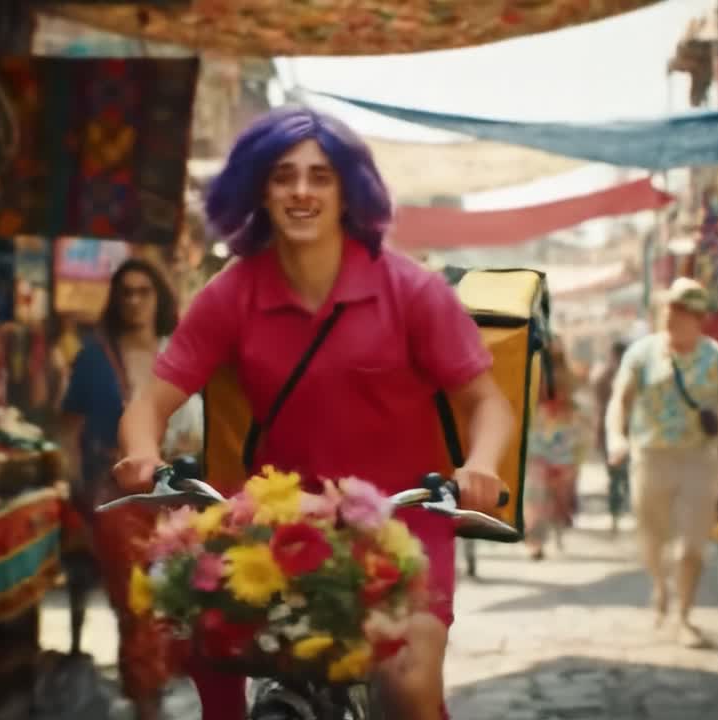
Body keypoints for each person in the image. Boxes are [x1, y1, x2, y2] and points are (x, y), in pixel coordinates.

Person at [113, 106, 515, 720]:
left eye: (320, 176)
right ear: (260, 190)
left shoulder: (412, 290)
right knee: (202, 638)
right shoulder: (232, 291)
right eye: (283, 176)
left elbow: (486, 402)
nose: (301, 191)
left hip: (401, 522)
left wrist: (481, 464)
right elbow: (153, 400)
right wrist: (143, 452)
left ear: (349, 190)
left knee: (407, 685)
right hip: (277, 519)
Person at [57, 258, 203, 720]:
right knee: (136, 604)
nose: (135, 301)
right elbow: (68, 429)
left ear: (159, 297)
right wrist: (75, 486)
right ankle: (145, 707)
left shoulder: (179, 351)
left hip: (179, 496)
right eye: (127, 292)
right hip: (115, 498)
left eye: (144, 291)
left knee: (181, 601)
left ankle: (159, 694)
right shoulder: (95, 358)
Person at [605, 277, 718, 647]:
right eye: (668, 308)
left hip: (699, 458)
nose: (671, 316)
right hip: (650, 457)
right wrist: (616, 438)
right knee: (652, 539)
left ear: (698, 317)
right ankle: (658, 586)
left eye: (681, 311)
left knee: (692, 544)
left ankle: (683, 614)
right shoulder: (642, 353)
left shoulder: (717, 357)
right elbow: (620, 399)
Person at [525, 339, 587, 560]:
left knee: (550, 495)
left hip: (559, 438)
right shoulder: (531, 371)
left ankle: (545, 534)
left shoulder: (567, 374)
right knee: (537, 495)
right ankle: (536, 540)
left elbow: (577, 404)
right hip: (542, 436)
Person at [592, 339, 630, 535]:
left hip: (622, 432)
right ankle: (616, 513)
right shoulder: (607, 376)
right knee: (618, 476)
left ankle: (618, 513)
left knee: (619, 476)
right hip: (614, 432)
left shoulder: (614, 375)